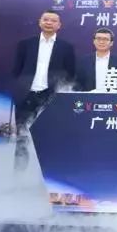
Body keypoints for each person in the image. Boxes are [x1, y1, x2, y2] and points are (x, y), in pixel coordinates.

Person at [12, 9, 75, 170]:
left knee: (51, 137)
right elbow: (17, 70)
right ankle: (19, 174)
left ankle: (47, 173)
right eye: (46, 19)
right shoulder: (26, 44)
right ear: (40, 22)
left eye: (53, 21)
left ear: (59, 25)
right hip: (26, 96)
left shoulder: (66, 47)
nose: (49, 23)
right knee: (22, 137)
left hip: (51, 98)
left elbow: (70, 74)